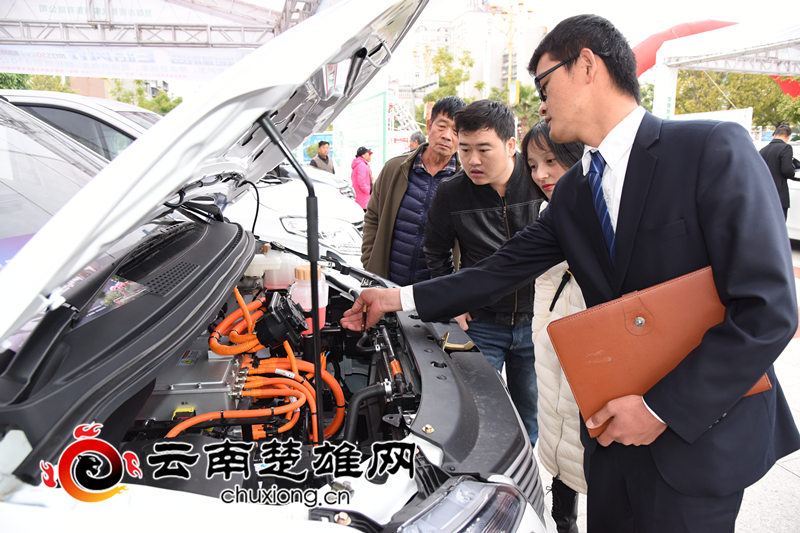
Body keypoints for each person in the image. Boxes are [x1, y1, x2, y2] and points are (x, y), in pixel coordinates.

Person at [342, 14, 800, 533]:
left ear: (586, 65)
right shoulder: (577, 191)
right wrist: (396, 299)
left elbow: (767, 309)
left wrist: (660, 409)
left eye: (544, 85)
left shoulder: (709, 149)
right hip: (611, 440)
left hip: (698, 438)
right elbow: (497, 270)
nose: (539, 104)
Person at [424, 100, 544, 445]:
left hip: (536, 322)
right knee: (478, 410)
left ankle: (526, 471)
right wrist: (454, 303)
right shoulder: (451, 192)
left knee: (531, 413)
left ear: (510, 144)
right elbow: (435, 250)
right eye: (465, 150)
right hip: (482, 322)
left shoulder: (538, 181)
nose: (473, 160)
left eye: (483, 149)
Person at [522, 120, 585, 533]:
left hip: (587, 353)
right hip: (551, 349)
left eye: (551, 161)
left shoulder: (599, 212)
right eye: (532, 165)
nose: (541, 174)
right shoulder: (550, 211)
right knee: (561, 448)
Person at [361, 96, 466, 284]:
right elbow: (373, 216)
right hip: (389, 285)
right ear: (429, 126)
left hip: (434, 292)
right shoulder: (395, 168)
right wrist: (370, 262)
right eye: (442, 126)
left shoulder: (466, 183)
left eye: (456, 131)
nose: (447, 136)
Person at [759, 124, 797, 219]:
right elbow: (787, 170)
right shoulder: (786, 148)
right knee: (779, 223)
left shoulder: (763, 150)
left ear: (774, 135)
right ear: (788, 136)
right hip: (779, 194)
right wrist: (793, 170)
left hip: (764, 195)